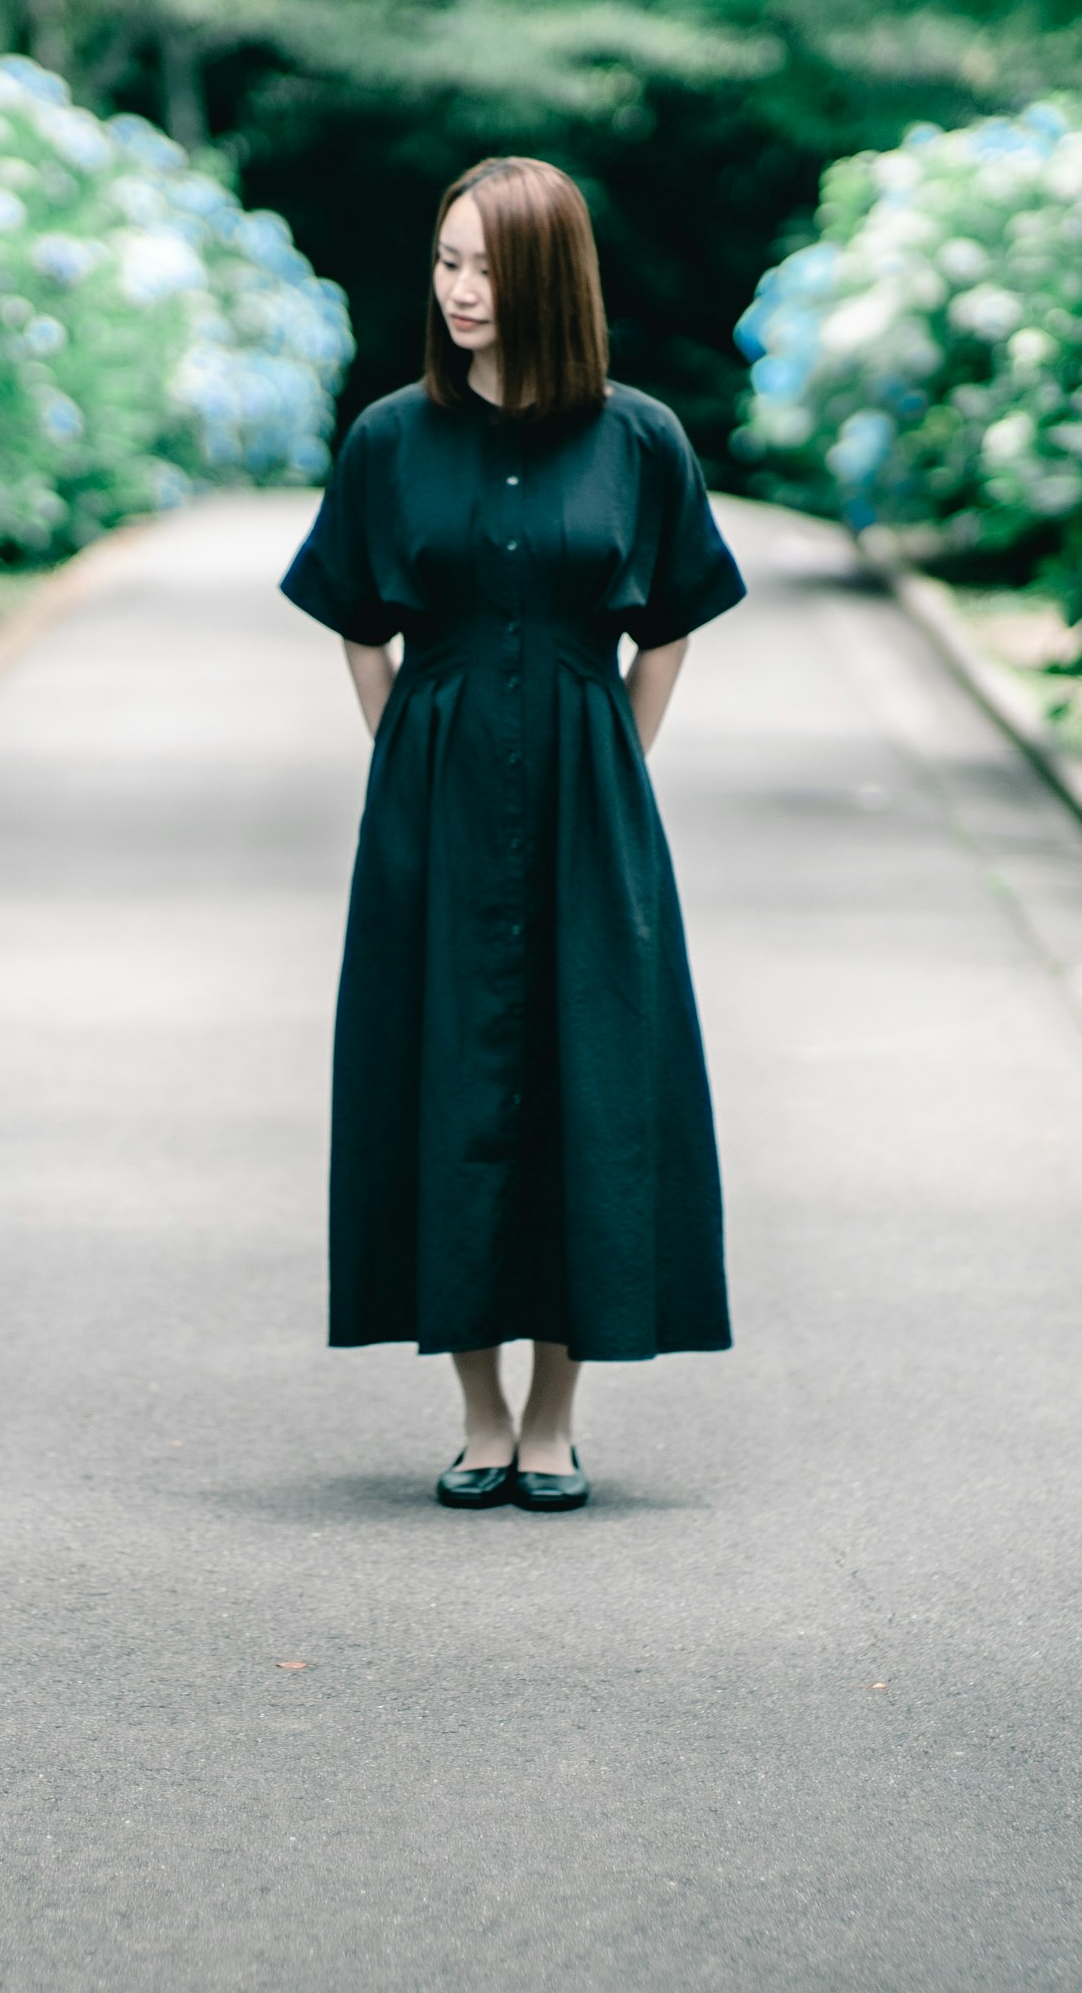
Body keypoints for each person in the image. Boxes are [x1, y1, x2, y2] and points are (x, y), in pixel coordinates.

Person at [278, 156, 746, 1515]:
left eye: (486, 264)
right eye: (445, 262)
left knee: (584, 1075)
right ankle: (477, 1411)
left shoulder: (640, 437)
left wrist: (612, 762)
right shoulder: (388, 437)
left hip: (590, 796)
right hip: (430, 797)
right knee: (445, 1076)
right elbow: (363, 625)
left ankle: (556, 1416)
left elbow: (663, 635)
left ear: (548, 276)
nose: (461, 290)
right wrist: (409, 754)